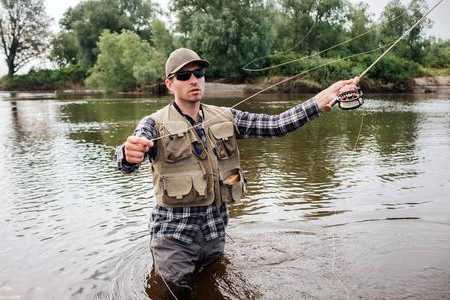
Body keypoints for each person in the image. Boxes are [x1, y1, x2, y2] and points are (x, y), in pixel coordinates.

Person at [116, 48, 359, 299]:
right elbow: (129, 158)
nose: (193, 80)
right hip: (173, 240)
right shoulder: (153, 123)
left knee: (212, 289)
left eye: (198, 73)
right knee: (171, 293)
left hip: (214, 236)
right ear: (169, 84)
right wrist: (127, 154)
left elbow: (276, 125)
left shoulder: (227, 116)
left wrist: (320, 100)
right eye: (184, 76)